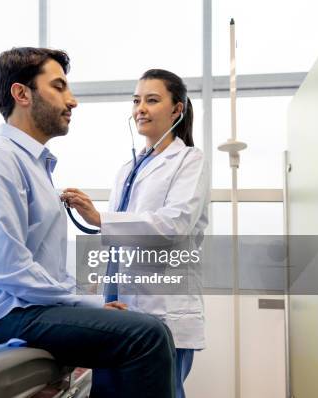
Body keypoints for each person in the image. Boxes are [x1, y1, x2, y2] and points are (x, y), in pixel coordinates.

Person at [0, 48, 176, 397]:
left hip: (24, 307)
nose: (73, 101)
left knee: (147, 329)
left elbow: (46, 269)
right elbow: (9, 269)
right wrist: (83, 302)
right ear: (22, 94)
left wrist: (88, 303)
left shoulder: (35, 166)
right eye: (59, 87)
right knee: (147, 335)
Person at [62, 69, 210, 398]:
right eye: (136, 100)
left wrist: (101, 217)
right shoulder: (127, 169)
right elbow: (117, 235)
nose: (140, 108)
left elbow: (175, 225)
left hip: (163, 308)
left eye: (152, 100)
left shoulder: (189, 160)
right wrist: (94, 288)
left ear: (177, 109)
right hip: (119, 305)